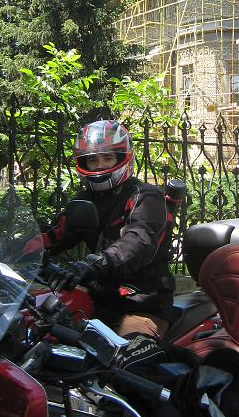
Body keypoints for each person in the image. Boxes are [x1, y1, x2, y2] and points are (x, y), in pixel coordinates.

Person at [42, 120, 176, 339]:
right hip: (98, 301)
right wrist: (12, 248)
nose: (99, 165)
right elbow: (54, 235)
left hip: (141, 306)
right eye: (93, 159)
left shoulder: (145, 197)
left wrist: (90, 265)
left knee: (127, 358)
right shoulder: (85, 200)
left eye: (108, 157)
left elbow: (136, 243)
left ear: (123, 157)